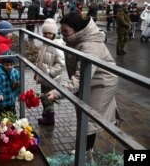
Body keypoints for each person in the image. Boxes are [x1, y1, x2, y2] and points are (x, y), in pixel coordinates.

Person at [47, 12, 118, 153]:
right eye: (62, 31)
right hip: (89, 79)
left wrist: (57, 92)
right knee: (83, 111)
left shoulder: (89, 47)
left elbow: (80, 77)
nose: (63, 34)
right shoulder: (77, 38)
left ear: (77, 28)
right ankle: (85, 147)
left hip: (101, 83)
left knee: (89, 115)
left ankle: (85, 150)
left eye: (66, 31)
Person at [35, 18, 65, 125]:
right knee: (44, 97)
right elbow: (40, 60)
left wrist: (50, 73)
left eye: (50, 33)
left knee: (49, 98)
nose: (47, 35)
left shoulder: (56, 45)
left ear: (54, 33)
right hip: (44, 77)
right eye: (45, 33)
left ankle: (50, 118)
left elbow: (61, 63)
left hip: (50, 78)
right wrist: (37, 72)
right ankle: (46, 115)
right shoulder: (44, 44)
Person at [0, 51, 20, 116]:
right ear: (2, 64)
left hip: (11, 104)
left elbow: (18, 84)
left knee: (11, 121)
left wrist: (19, 93)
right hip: (0, 105)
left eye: (11, 65)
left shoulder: (15, 72)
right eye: (6, 65)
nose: (9, 67)